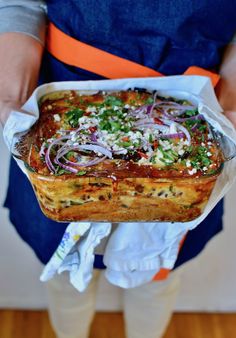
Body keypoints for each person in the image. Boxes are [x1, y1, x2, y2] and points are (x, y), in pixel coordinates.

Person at [0, 1, 236, 338]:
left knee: (157, 277)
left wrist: (229, 105)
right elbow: (20, 3)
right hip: (62, 123)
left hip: (192, 121)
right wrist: (10, 98)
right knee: (67, 275)